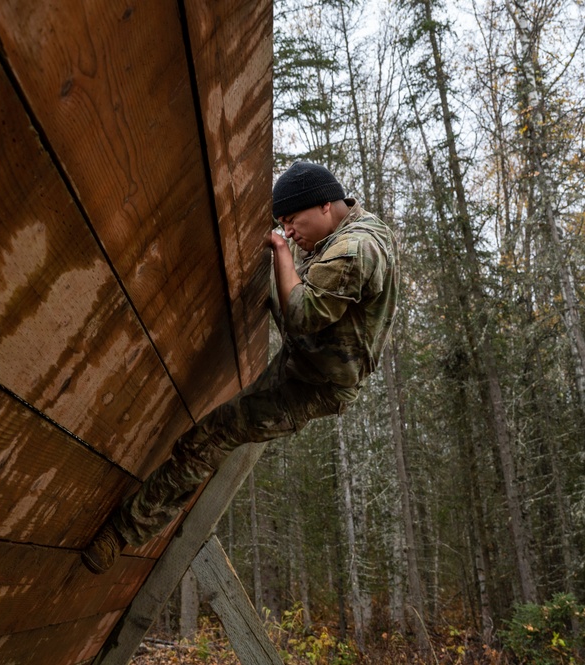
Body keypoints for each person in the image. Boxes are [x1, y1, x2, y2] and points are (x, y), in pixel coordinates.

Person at [82, 162, 399, 574]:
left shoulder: (355, 251)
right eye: (282, 225)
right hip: (311, 353)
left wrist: (282, 253)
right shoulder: (346, 228)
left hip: (312, 385)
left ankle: (121, 533)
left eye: (291, 221)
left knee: (212, 437)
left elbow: (301, 315)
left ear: (324, 206)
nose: (288, 232)